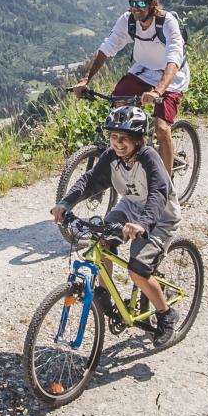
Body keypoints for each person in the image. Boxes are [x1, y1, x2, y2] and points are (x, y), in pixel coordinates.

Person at [51, 104, 181, 347]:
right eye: (113, 137)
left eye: (124, 139)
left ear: (138, 140)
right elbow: (90, 181)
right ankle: (104, 291)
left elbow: (158, 194)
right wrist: (65, 203)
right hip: (130, 207)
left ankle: (166, 314)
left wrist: (142, 224)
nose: (118, 143)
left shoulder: (149, 158)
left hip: (160, 215)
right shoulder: (112, 157)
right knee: (101, 238)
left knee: (138, 270)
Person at [72, 0, 189, 174]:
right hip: (142, 71)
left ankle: (165, 190)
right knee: (119, 109)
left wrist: (158, 91)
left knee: (161, 128)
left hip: (171, 78)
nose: (136, 8)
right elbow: (106, 49)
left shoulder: (167, 22)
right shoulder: (128, 21)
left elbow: (173, 60)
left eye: (141, 3)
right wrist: (86, 79)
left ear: (153, 3)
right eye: (132, 3)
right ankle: (136, 154)